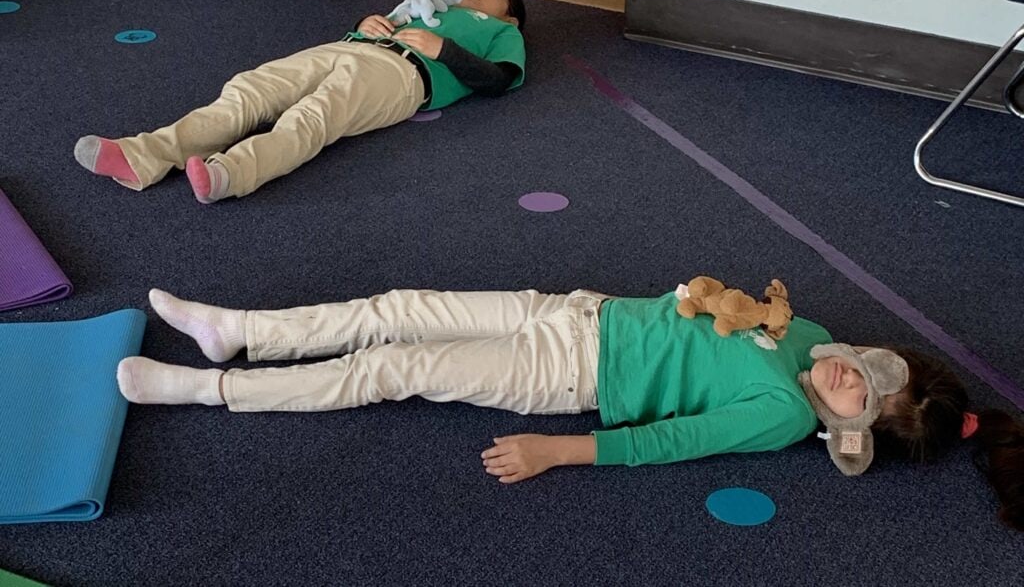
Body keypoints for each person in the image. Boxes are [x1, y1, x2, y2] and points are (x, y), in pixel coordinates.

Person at [115, 282, 1021, 522]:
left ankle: (209, 388)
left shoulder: (784, 416)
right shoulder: (807, 327)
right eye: (875, 370)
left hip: (570, 377)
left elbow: (671, 442)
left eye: (868, 403)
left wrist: (557, 450)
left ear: (850, 436)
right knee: (397, 308)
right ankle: (240, 330)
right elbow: (711, 314)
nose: (852, 382)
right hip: (576, 311)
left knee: (389, 365)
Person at [73, 0, 527, 203]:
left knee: (314, 116)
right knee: (250, 90)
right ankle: (142, 155)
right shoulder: (430, 1)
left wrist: (444, 49)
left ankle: (230, 174)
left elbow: (499, 81)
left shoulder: (503, 32)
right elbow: (385, 22)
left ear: (509, 14)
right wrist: (363, 24)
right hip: (351, 47)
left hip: (405, 74)